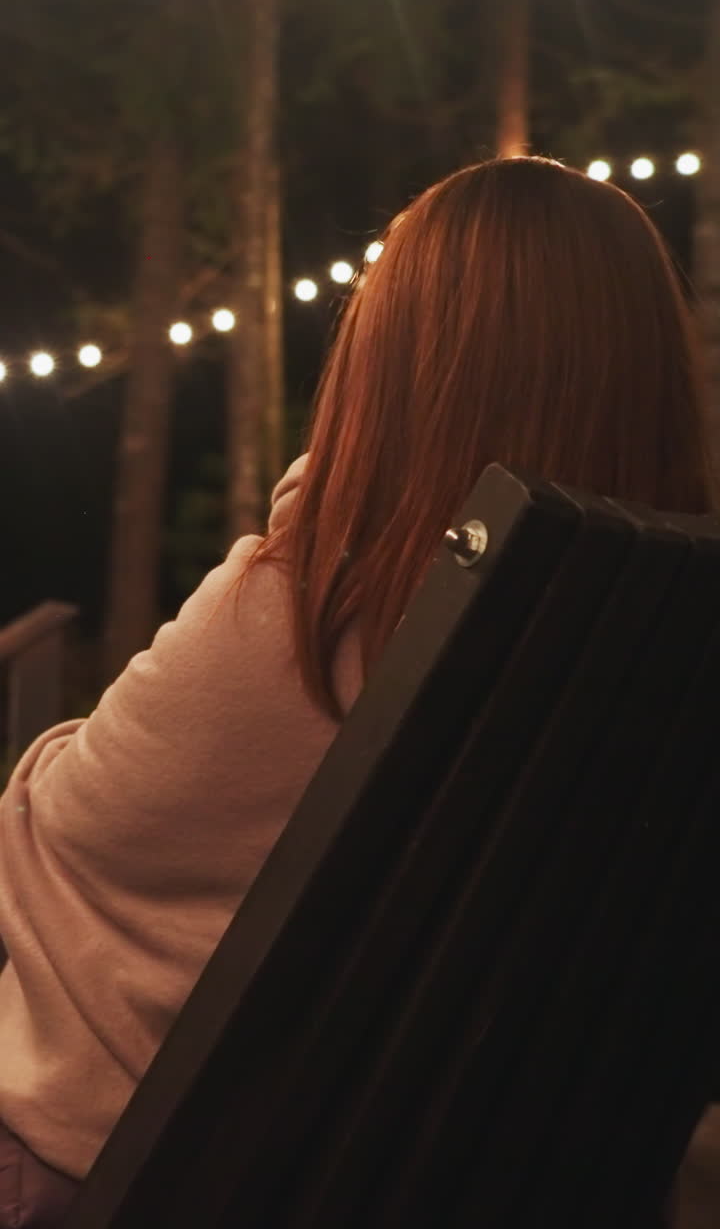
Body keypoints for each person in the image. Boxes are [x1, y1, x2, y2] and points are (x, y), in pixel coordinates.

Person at [0, 156, 712, 1227]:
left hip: (166, 1174)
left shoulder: (315, 611)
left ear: (403, 358)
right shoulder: (662, 639)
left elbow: (65, 823)